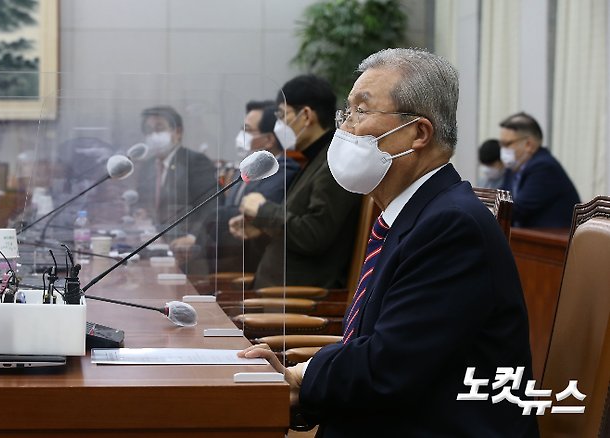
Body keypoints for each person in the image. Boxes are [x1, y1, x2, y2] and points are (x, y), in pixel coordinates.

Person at [240, 48, 539, 437]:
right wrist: (302, 376)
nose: (344, 128)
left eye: (360, 112)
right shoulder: (410, 216)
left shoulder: (451, 227)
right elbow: (380, 346)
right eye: (345, 113)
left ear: (418, 133)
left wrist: (301, 380)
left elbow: (388, 368)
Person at [230, 75, 361, 289]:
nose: (279, 125)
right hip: (280, 295)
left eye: (282, 116)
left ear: (306, 115)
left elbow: (314, 235)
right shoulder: (317, 159)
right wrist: (262, 225)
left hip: (301, 302)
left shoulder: (335, 163)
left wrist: (263, 210)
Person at [205, 103, 301, 272]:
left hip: (249, 263)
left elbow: (250, 213)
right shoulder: (247, 168)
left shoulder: (285, 171)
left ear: (269, 139)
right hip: (227, 253)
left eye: (247, 129)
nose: (241, 135)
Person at [135, 105, 219, 252]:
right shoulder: (147, 166)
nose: (153, 136)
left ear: (178, 132)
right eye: (149, 131)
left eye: (159, 129)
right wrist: (139, 212)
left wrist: (193, 237)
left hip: (186, 247)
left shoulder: (194, 162)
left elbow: (212, 205)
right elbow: (138, 200)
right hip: (152, 243)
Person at [499, 112, 580, 227]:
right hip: (524, 237)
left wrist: (484, 211)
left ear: (528, 144)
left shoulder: (545, 167)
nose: (502, 150)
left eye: (506, 144)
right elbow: (499, 200)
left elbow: (516, 210)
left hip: (552, 240)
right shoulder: (513, 168)